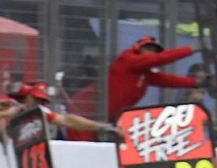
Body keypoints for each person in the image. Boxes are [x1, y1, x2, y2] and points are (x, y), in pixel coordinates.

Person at [68, 36, 201, 140]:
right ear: (138, 48)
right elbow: (160, 59)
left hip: (102, 120)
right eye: (148, 48)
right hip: (84, 114)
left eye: (155, 51)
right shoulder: (129, 59)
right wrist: (191, 49)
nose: (152, 53)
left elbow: (169, 80)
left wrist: (197, 82)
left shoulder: (145, 73)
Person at [0, 81, 122, 139]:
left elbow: (67, 120)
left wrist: (103, 127)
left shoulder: (37, 110)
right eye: (35, 99)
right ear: (25, 95)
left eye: (41, 101)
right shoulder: (8, 104)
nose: (38, 103)